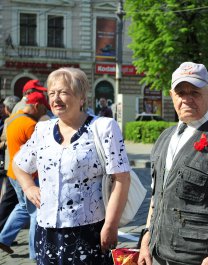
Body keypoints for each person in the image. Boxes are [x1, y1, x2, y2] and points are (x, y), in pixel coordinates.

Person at [13, 67, 131, 264]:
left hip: (88, 230)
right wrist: (29, 187)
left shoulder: (103, 128)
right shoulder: (43, 129)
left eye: (64, 92)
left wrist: (111, 225)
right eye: (52, 93)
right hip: (47, 230)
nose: (56, 99)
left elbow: (122, 178)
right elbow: (19, 164)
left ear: (81, 97)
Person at [138, 62, 208, 265]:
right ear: (172, 95)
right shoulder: (164, 137)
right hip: (159, 254)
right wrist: (146, 239)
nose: (187, 99)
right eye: (181, 92)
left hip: (200, 258)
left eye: (195, 92)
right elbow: (157, 197)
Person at [0, 92, 50, 259]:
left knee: (22, 207)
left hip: (14, 173)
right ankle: (35, 254)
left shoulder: (13, 119)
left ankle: (3, 238)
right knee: (36, 212)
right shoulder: (30, 125)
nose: (44, 112)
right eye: (43, 109)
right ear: (37, 106)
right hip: (28, 175)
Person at [0, 96, 20, 232]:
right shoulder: (10, 121)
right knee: (10, 201)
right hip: (13, 166)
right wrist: (7, 143)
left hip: (12, 166)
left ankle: (5, 235)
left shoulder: (9, 120)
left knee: (15, 202)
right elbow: (2, 142)